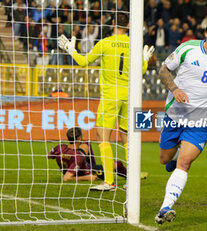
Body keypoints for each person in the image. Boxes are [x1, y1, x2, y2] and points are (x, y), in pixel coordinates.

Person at [154, 16, 207, 224]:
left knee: (185, 162)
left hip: (200, 121)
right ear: (206, 33)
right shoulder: (187, 49)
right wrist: (175, 89)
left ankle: (166, 207)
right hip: (175, 115)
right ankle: (172, 159)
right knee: (165, 159)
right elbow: (163, 70)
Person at [57, 13, 154, 191]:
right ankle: (131, 180)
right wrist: (145, 60)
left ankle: (109, 182)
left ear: (113, 24)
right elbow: (140, 71)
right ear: (130, 26)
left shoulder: (105, 43)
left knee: (102, 137)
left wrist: (71, 50)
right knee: (127, 138)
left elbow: (83, 62)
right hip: (129, 96)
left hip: (111, 96)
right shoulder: (134, 45)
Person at [48, 127, 127, 182]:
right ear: (79, 138)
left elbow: (48, 156)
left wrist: (61, 156)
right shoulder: (78, 156)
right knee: (118, 164)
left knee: (86, 144)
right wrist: (87, 178)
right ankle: (130, 176)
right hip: (87, 172)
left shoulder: (60, 147)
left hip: (73, 167)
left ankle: (93, 164)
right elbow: (66, 178)